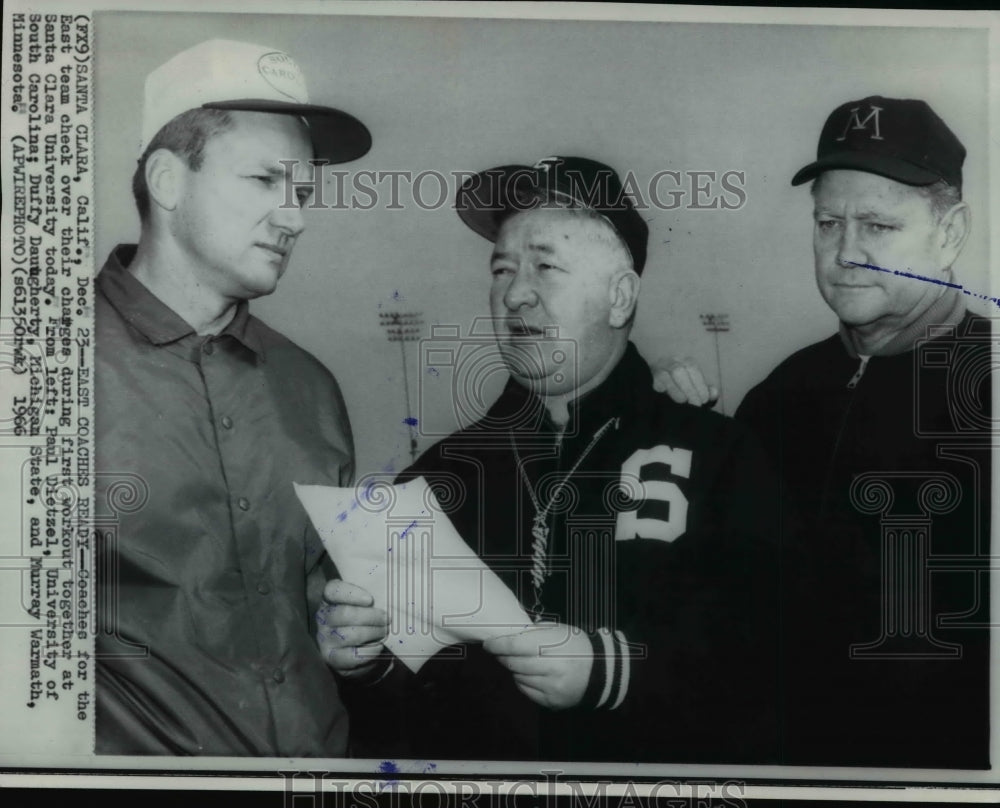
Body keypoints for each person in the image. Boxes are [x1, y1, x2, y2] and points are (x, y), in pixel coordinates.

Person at [318, 157, 781, 763]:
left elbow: (782, 665)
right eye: (502, 269)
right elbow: (401, 716)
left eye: (545, 266)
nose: (514, 294)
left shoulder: (721, 457)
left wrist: (612, 672)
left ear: (620, 297)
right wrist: (366, 662)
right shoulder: (440, 475)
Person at [657, 96, 992, 768]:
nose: (845, 253)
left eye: (877, 226)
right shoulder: (779, 394)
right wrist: (693, 450)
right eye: (827, 222)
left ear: (951, 233)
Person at [94, 39, 371, 756]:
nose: (296, 218)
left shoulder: (309, 387)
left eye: (302, 193)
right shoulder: (38, 367)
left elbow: (311, 596)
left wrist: (345, 634)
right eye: (263, 181)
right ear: (167, 180)